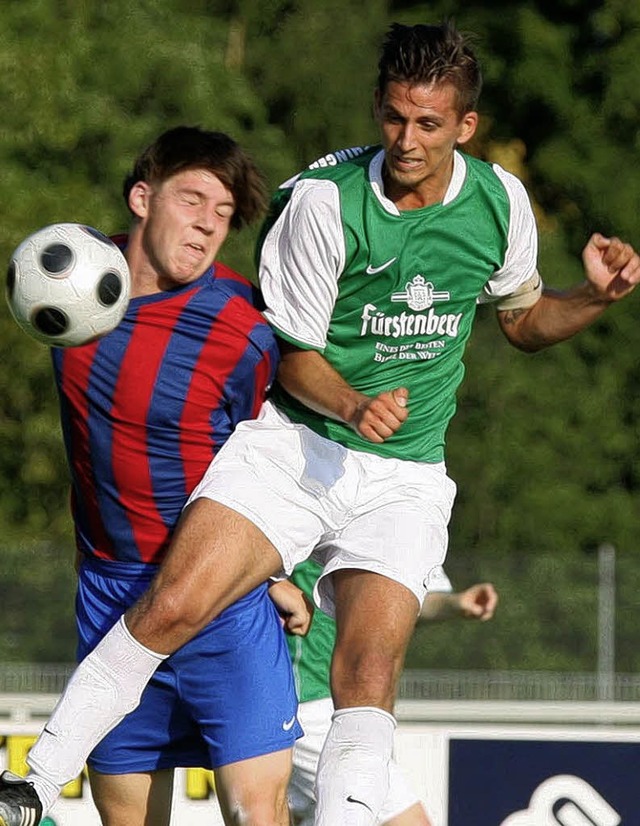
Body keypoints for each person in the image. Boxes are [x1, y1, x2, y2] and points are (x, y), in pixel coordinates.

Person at [2, 20, 640, 826]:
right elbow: (292, 354)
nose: (407, 140)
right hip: (298, 446)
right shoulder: (323, 204)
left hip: (406, 477)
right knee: (171, 606)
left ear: (465, 127)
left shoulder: (499, 202)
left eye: (429, 125)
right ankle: (35, 781)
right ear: (379, 108)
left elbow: (520, 320)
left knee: (368, 671)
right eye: (394, 118)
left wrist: (591, 299)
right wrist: (351, 404)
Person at [0, 126, 310, 826]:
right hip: (111, 595)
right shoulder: (66, 285)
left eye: (224, 212)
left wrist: (274, 569)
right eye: (193, 197)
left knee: (258, 813)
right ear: (143, 197)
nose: (207, 222)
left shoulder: (245, 324)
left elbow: (274, 453)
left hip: (221, 599)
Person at [286, 560, 498, 826]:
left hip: (361, 707)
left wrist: (457, 603)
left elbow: (409, 598)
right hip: (311, 703)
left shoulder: (415, 523)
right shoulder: (311, 526)